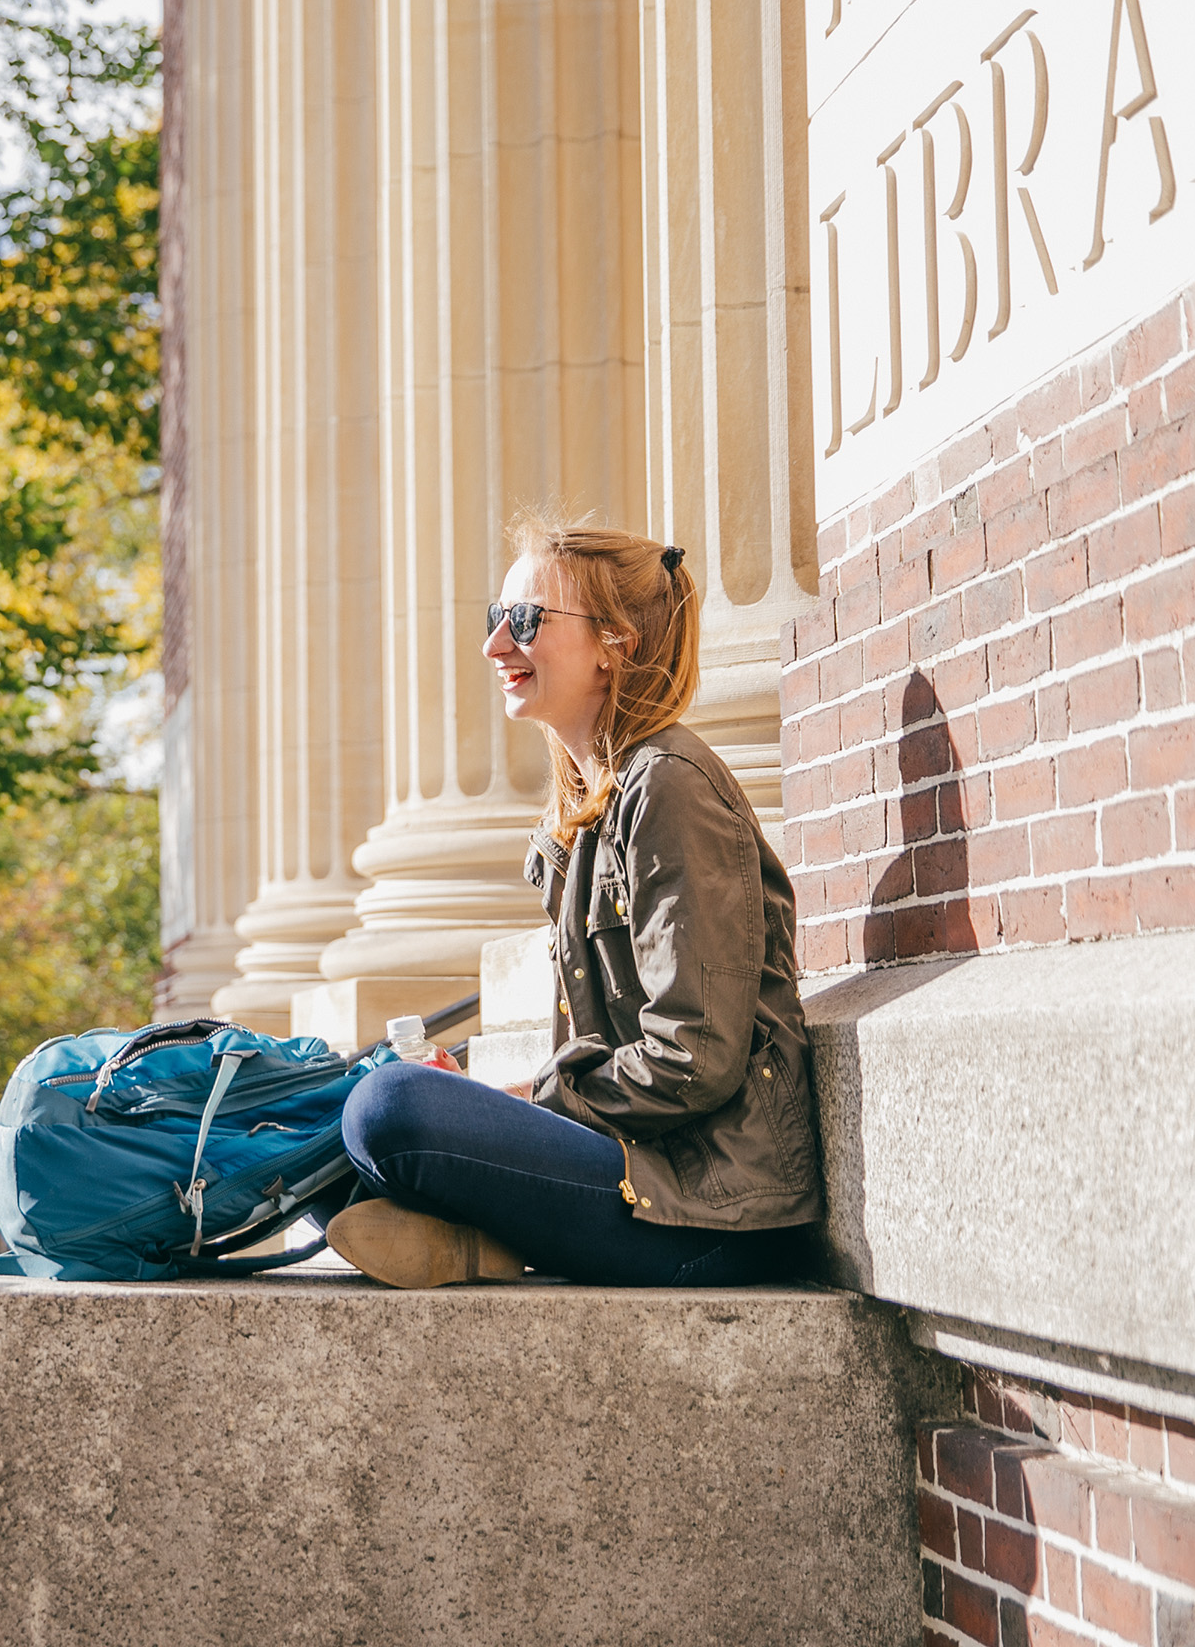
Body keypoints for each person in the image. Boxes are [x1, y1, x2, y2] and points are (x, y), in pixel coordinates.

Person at [324, 520, 823, 1291]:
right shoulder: (594, 806)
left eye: (523, 621)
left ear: (613, 643)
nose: (495, 645)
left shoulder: (670, 788)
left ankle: (474, 1236)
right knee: (326, 1123)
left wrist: (531, 1099)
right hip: (643, 1175)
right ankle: (472, 1244)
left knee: (387, 1109)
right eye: (496, 617)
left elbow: (695, 1059)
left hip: (707, 1213)